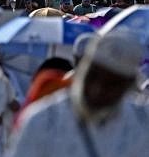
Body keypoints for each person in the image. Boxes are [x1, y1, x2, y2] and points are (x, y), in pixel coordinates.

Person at [9, 32, 149, 157]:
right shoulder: (44, 121)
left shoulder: (142, 123)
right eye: (93, 76)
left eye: (111, 84)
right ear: (82, 68)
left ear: (128, 85)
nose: (97, 89)